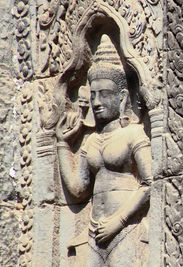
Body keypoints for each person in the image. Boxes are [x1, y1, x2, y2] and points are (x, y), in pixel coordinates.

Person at [56, 34, 152, 266]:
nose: (97, 102)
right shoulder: (91, 142)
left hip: (125, 228)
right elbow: (79, 191)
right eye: (94, 95)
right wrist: (62, 144)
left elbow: (150, 182)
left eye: (105, 95)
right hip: (93, 232)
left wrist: (118, 221)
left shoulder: (133, 134)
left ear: (122, 98)